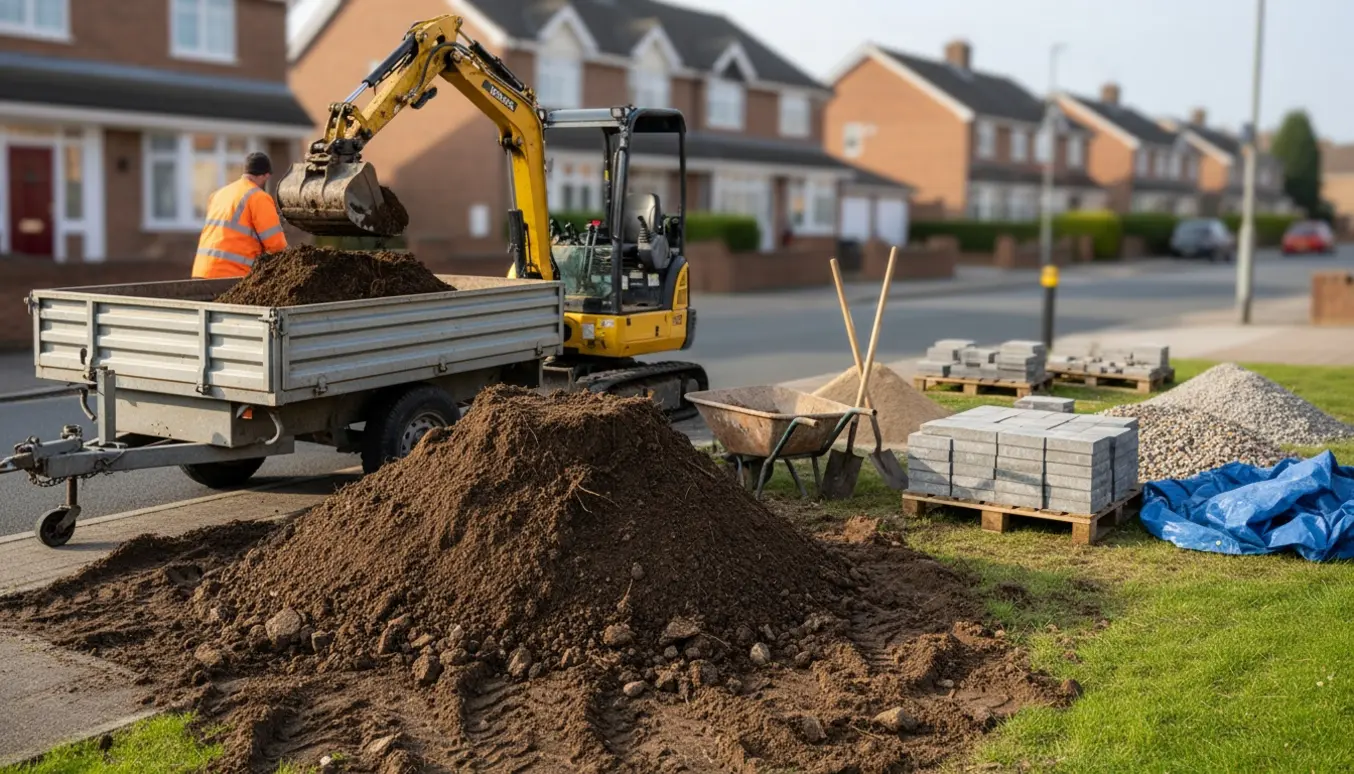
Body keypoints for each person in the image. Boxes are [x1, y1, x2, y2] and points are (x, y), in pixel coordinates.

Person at [191, 151, 289, 279]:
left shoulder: (219, 194)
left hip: (201, 273)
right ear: (265, 175)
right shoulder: (259, 197)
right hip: (231, 277)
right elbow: (276, 246)